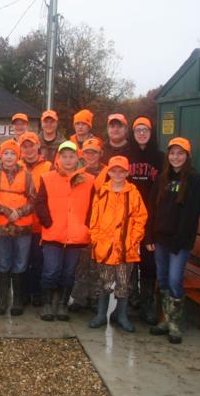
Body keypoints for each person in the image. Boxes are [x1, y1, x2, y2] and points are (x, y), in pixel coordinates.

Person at [145, 137, 200, 344]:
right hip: (160, 239)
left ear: (188, 156)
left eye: (180, 153)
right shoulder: (162, 178)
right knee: (162, 279)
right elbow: (152, 209)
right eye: (172, 153)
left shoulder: (195, 180)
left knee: (174, 280)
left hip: (179, 242)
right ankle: (165, 320)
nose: (175, 157)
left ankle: (175, 324)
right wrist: (149, 235)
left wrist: (179, 241)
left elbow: (191, 214)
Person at [35, 141, 94, 322]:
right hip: (53, 234)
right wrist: (48, 224)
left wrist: (86, 225)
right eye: (64, 156)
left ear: (78, 158)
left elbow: (93, 207)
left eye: (71, 156)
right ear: (58, 158)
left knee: (69, 272)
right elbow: (40, 203)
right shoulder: (47, 177)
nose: (68, 160)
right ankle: (47, 304)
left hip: (77, 236)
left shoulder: (89, 180)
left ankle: (62, 304)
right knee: (51, 270)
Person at [89, 156, 148, 332]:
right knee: (104, 283)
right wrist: (96, 239)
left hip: (125, 249)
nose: (117, 174)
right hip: (104, 248)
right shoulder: (101, 192)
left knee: (124, 283)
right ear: (109, 172)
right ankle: (101, 315)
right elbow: (94, 219)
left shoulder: (134, 193)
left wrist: (133, 240)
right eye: (114, 170)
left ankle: (121, 315)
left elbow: (141, 218)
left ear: (127, 172)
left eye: (121, 171)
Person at [0, 140, 36, 316]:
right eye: (6, 153)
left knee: (20, 263)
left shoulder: (27, 174)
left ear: (18, 155)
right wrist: (7, 212)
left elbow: (33, 199)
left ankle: (18, 301)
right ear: (1, 155)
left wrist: (19, 212)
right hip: (1, 226)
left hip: (22, 226)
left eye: (13, 153)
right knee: (4, 262)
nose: (9, 157)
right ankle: (2, 301)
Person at [128, 116, 164, 324]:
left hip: (152, 217)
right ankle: (131, 298)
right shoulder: (127, 156)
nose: (141, 133)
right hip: (130, 217)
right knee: (130, 259)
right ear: (133, 134)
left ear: (151, 133)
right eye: (137, 130)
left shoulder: (160, 158)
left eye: (145, 130)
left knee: (149, 262)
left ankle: (147, 302)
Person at [70, 137, 108, 312]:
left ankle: (95, 299)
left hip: (104, 225)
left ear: (100, 153)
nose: (90, 155)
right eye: (87, 152)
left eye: (94, 152)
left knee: (98, 265)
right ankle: (79, 299)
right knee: (81, 264)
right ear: (82, 154)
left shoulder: (109, 172)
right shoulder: (78, 175)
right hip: (83, 225)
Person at [18, 132, 51, 307]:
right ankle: (22, 293)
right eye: (25, 145)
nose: (28, 149)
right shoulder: (15, 166)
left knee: (38, 260)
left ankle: (37, 293)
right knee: (22, 261)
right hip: (20, 224)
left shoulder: (49, 167)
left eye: (31, 145)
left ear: (38, 145)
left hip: (40, 223)